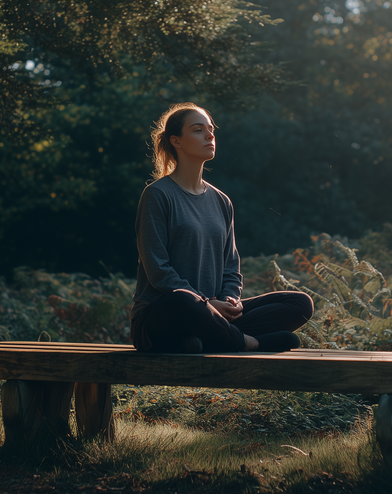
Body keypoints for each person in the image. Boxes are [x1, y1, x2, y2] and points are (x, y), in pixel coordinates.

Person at [129, 102, 314, 354]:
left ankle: (206, 338)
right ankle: (249, 342)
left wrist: (229, 299)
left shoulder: (221, 200)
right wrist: (206, 303)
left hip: (214, 312)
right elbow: (158, 271)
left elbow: (231, 267)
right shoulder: (157, 195)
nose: (209, 135)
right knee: (183, 300)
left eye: (211, 129)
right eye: (197, 130)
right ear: (176, 141)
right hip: (163, 315)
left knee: (299, 302)